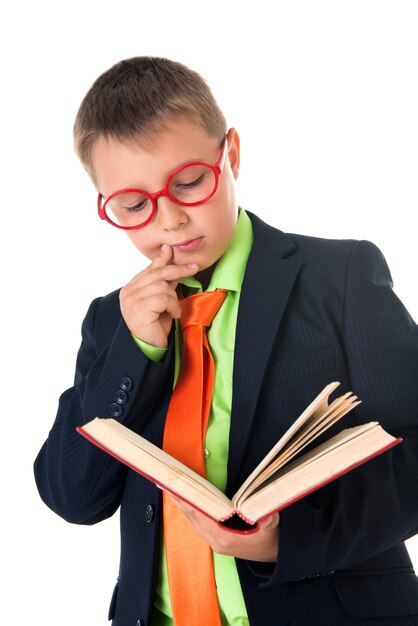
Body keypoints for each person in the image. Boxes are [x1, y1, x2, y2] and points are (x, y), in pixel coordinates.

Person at [34, 56, 418, 626]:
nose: (169, 220)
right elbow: (73, 496)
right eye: (134, 205)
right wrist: (133, 354)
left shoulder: (339, 276)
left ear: (230, 154)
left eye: (188, 183)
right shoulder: (110, 320)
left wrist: (288, 539)